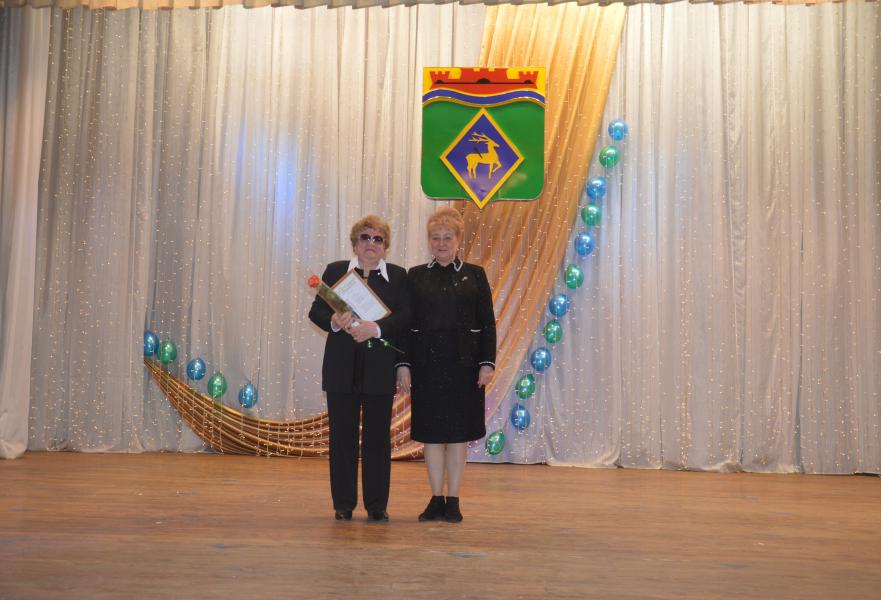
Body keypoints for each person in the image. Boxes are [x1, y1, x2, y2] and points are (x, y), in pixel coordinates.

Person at [396, 207, 496, 523]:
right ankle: (435, 498)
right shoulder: (415, 276)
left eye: (447, 237)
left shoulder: (475, 274)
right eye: (436, 238)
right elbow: (404, 325)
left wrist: (487, 363)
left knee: (457, 436)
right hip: (426, 367)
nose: (441, 243)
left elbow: (488, 323)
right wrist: (403, 364)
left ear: (458, 240)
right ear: (429, 240)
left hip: (464, 368)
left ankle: (453, 499)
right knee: (431, 436)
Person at [308, 215, 409, 522]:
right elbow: (316, 311)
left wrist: (375, 329)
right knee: (342, 439)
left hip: (379, 370)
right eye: (365, 237)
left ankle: (377, 506)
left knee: (378, 440)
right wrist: (333, 322)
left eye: (378, 239)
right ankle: (343, 504)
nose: (371, 244)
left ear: (385, 245)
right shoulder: (336, 271)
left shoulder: (398, 276)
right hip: (340, 369)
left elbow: (405, 317)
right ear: (355, 243)